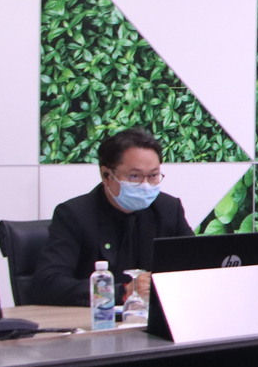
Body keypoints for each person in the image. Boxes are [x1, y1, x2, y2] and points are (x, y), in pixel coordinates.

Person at [30, 128, 193, 306]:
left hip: (153, 315)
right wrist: (121, 292)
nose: (145, 185)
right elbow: (47, 285)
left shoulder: (168, 209)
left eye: (153, 175)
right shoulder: (75, 214)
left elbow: (196, 267)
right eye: (134, 176)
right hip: (95, 317)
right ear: (106, 175)